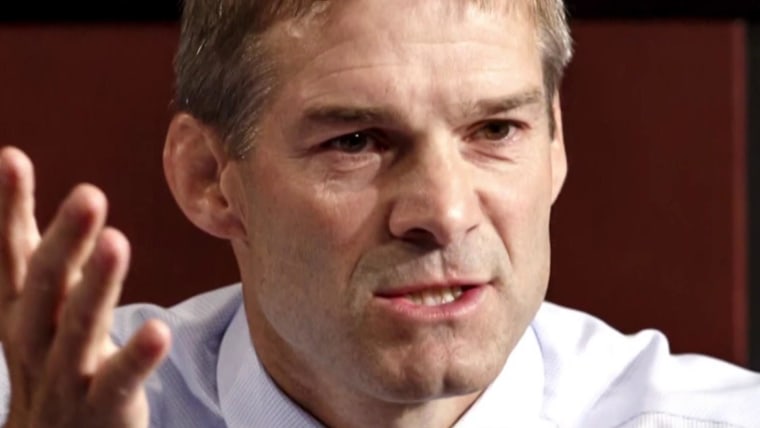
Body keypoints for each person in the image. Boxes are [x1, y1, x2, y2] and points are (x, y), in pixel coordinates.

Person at [0, 0, 759, 426]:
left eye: (496, 130)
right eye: (356, 141)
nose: (445, 213)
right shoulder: (42, 409)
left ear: (556, 143)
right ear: (208, 179)